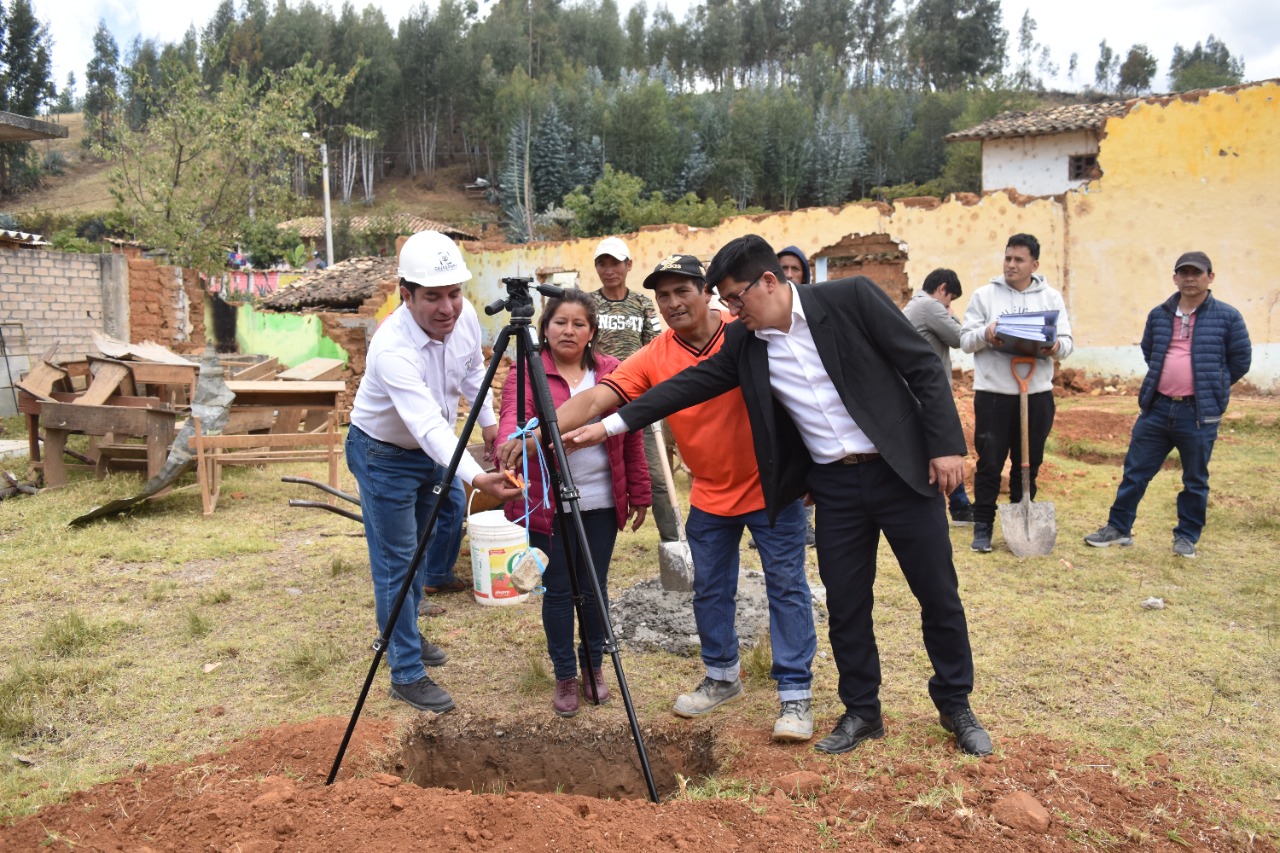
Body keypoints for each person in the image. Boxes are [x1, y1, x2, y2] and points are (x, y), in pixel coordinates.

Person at [567, 235, 993, 757]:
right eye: (725, 303)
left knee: (937, 595)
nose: (732, 311)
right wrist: (611, 426)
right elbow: (690, 384)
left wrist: (947, 446)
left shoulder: (852, 298)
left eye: (736, 299)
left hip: (901, 472)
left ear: (770, 281)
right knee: (846, 605)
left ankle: (956, 706)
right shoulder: (747, 341)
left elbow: (922, 366)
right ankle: (862, 711)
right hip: (833, 487)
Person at [542, 253, 818, 742]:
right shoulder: (654, 356)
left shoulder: (747, 330)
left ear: (707, 291)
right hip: (710, 491)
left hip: (770, 488)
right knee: (710, 587)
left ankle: (794, 694)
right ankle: (721, 676)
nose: (672, 303)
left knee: (786, 587)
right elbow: (595, 401)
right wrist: (532, 432)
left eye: (682, 291)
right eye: (662, 295)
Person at [346, 231, 521, 714]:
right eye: (432, 297)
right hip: (383, 456)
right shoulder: (391, 347)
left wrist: (489, 425)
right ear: (406, 295)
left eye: (454, 293)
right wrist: (474, 476)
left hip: (432, 451)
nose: (447, 307)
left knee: (420, 551)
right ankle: (404, 670)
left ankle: (404, 631)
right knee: (396, 563)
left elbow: (471, 375)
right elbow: (425, 423)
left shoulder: (462, 321)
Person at [499, 289, 651, 718]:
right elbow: (512, 421)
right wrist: (513, 447)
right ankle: (565, 673)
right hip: (548, 504)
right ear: (544, 329)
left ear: (592, 332)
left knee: (594, 589)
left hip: (600, 499)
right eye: (560, 322)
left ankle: (594, 668)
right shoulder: (527, 372)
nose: (569, 330)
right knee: (560, 591)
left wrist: (640, 490)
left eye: (578, 323)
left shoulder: (612, 372)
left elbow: (632, 433)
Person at [1084, 252, 1251, 558]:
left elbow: (1240, 360)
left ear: (1210, 278)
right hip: (1158, 409)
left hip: (1197, 414)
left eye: (1196, 273)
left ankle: (1186, 536)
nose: (1189, 278)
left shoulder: (1228, 317)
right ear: (1175, 278)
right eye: (1183, 272)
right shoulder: (1159, 314)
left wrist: (1212, 385)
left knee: (1195, 479)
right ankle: (1119, 528)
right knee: (1134, 473)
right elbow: (1151, 352)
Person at [960, 233, 1073, 554]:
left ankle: (1023, 513)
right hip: (993, 393)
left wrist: (1054, 347)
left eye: (1019, 260)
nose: (1011, 264)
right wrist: (988, 331)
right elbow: (965, 340)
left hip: (1036, 394)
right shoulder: (985, 296)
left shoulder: (1050, 298)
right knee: (990, 462)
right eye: (1008, 258)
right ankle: (983, 526)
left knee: (1029, 462)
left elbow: (1067, 343)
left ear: (1034, 264)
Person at [587, 236, 678, 544]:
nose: (609, 270)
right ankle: (593, 540)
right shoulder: (588, 304)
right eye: (602, 263)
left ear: (628, 265)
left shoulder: (641, 303)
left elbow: (655, 346)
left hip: (640, 397)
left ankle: (674, 541)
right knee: (598, 471)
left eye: (615, 263)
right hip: (601, 397)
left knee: (658, 475)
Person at [903, 268, 974, 525]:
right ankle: (960, 508)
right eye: (951, 299)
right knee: (947, 449)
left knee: (938, 448)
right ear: (943, 288)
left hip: (915, 392)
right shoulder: (930, 307)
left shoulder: (913, 306)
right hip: (932, 394)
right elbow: (961, 338)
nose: (949, 306)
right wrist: (952, 314)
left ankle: (960, 505)